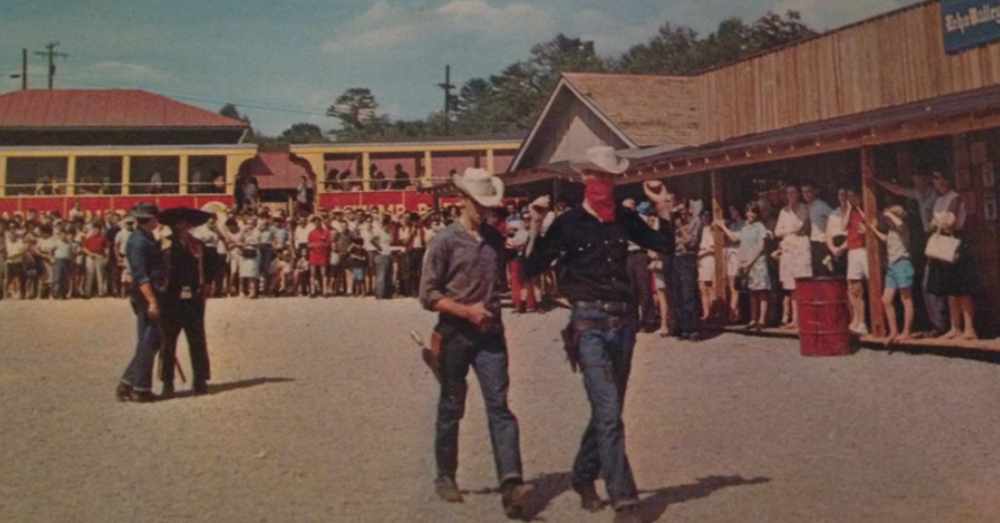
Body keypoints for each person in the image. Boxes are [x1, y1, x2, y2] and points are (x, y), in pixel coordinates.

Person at [522, 147, 674, 523]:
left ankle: (583, 473)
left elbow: (665, 247)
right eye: (596, 175)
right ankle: (625, 501)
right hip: (587, 324)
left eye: (609, 176)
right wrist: (535, 225)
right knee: (608, 413)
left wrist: (663, 210)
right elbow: (530, 267)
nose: (603, 182)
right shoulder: (568, 223)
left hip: (624, 323)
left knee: (610, 411)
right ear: (583, 178)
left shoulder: (623, 218)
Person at [419, 167, 534, 519]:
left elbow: (524, 263)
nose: (485, 210)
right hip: (455, 333)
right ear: (462, 200)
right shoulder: (444, 241)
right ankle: (445, 475)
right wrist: (465, 310)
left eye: (488, 204)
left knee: (499, 406)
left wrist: (538, 226)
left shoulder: (495, 240)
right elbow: (427, 294)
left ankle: (512, 484)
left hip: (490, 335)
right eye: (479, 204)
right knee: (453, 405)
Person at [873, 171, 946, 334]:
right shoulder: (919, 194)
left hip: (941, 235)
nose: (915, 183)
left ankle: (943, 324)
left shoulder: (935, 194)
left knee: (938, 281)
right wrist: (876, 179)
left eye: (918, 179)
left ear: (926, 179)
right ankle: (938, 324)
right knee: (929, 282)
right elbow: (898, 190)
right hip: (929, 237)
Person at [157, 207, 213, 397]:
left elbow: (211, 266)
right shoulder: (163, 246)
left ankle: (200, 379)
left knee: (197, 340)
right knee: (168, 342)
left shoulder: (197, 245)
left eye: (186, 223)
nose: (183, 226)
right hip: (170, 300)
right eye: (180, 223)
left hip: (193, 300)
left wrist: (207, 284)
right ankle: (167, 382)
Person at [116, 202, 167, 403]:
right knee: (149, 339)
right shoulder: (138, 241)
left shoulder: (146, 237)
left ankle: (129, 383)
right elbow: (141, 275)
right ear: (150, 220)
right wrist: (152, 301)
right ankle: (139, 388)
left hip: (150, 290)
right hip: (145, 293)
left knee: (149, 340)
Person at [926, 171, 978, 340]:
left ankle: (969, 328)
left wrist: (938, 222)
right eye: (934, 179)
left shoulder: (955, 197)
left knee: (962, 288)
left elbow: (950, 221)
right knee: (950, 290)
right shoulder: (939, 201)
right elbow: (931, 223)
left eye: (939, 177)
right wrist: (938, 222)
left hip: (955, 242)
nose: (937, 182)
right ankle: (955, 327)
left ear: (947, 179)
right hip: (943, 242)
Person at [715, 202, 771, 331]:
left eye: (753, 212)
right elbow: (735, 238)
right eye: (748, 212)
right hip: (746, 263)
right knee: (751, 292)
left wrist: (750, 261)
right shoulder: (745, 228)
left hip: (757, 262)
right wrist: (723, 226)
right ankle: (753, 318)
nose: (750, 215)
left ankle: (762, 320)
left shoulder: (760, 226)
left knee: (761, 292)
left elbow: (760, 246)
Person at [866, 204, 915, 343]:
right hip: (892, 266)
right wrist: (872, 227)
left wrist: (889, 214)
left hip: (902, 264)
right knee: (886, 299)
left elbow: (900, 223)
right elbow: (883, 238)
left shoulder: (902, 228)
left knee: (905, 298)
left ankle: (906, 331)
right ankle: (894, 331)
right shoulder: (891, 232)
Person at [774, 185, 812, 329]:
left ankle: (804, 318)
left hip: (801, 247)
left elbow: (802, 226)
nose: (790, 195)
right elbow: (777, 231)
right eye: (788, 193)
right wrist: (790, 231)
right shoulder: (783, 211)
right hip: (789, 248)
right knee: (791, 286)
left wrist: (789, 230)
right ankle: (795, 319)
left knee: (802, 282)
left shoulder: (804, 208)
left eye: (793, 192)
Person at [670, 197, 703, 340]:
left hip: (687, 258)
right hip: (676, 258)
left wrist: (681, 228)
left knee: (688, 294)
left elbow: (691, 242)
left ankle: (693, 328)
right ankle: (683, 327)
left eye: (683, 211)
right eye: (679, 212)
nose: (681, 214)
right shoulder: (676, 222)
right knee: (677, 295)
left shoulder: (696, 221)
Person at [802, 183, 833, 277]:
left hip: (822, 241)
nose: (806, 194)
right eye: (803, 192)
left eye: (808, 192)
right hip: (813, 242)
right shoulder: (807, 207)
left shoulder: (821, 205)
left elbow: (833, 217)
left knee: (824, 270)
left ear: (814, 191)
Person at [696, 208, 716, 321]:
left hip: (708, 260)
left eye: (707, 215)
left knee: (710, 287)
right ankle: (706, 312)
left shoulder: (711, 230)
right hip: (700, 262)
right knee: (702, 288)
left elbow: (712, 248)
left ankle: (713, 312)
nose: (705, 218)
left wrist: (702, 251)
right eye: (703, 216)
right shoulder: (699, 229)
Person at [82, 222, 110, 298]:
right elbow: (84, 248)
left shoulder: (103, 238)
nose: (96, 231)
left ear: (100, 230)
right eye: (94, 229)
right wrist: (90, 253)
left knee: (99, 274)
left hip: (99, 255)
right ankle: (87, 292)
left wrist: (107, 257)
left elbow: (106, 248)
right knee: (89, 274)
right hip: (90, 255)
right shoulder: (88, 238)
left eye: (97, 229)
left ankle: (101, 292)